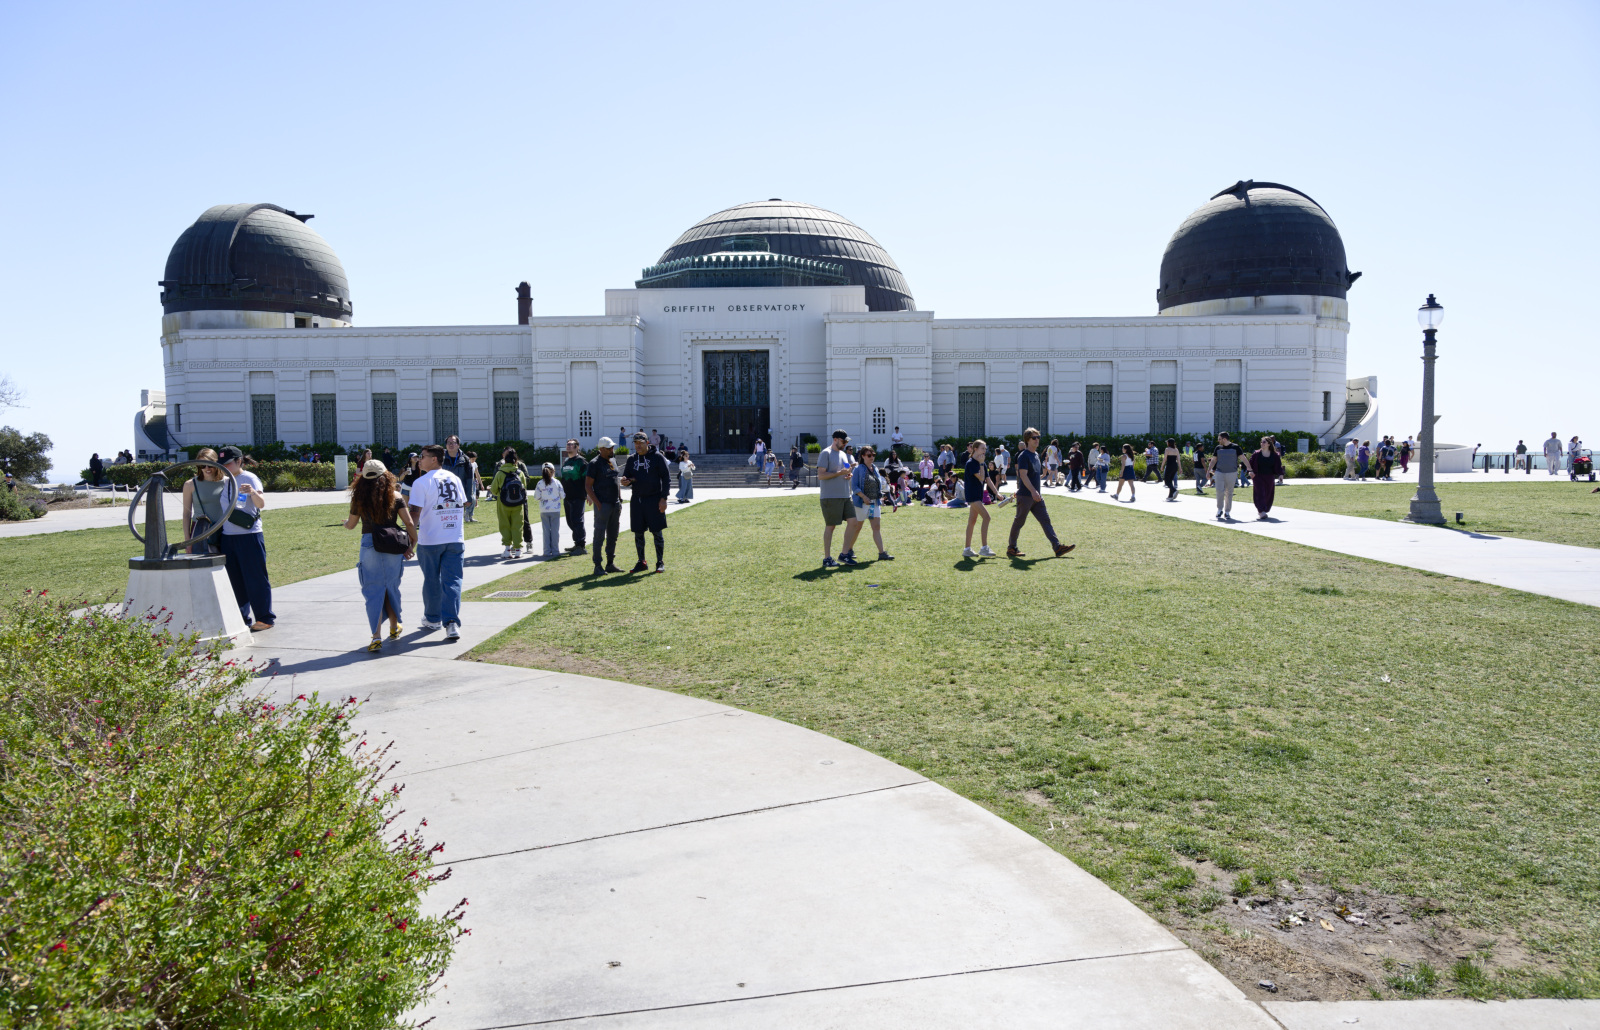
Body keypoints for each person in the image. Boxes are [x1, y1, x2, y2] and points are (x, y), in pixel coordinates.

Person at [343, 459, 417, 651]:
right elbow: (409, 523)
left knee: (373, 591)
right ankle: (394, 627)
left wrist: (345, 524)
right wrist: (413, 542)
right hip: (393, 544)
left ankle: (376, 637)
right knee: (391, 588)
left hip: (369, 544)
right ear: (386, 475)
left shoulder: (359, 497)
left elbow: (351, 525)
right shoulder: (395, 495)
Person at [408, 445, 466, 641]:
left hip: (431, 539)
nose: (419, 460)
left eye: (423, 456)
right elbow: (462, 504)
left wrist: (410, 538)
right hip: (455, 538)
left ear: (434, 459)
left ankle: (433, 619)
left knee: (432, 580)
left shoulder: (421, 482)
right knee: (453, 581)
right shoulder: (455, 479)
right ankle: (452, 623)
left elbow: (414, 512)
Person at [216, 446, 274, 631]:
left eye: (228, 463)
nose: (224, 467)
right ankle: (241, 619)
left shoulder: (250, 478)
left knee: (255, 578)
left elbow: (261, 504)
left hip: (249, 536)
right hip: (229, 536)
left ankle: (265, 618)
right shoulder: (226, 481)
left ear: (239, 461)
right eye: (222, 464)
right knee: (235, 580)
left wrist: (252, 492)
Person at [1005, 429, 1075, 559]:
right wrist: (1033, 491)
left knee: (1045, 521)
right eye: (1034, 438)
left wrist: (1043, 477)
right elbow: (1023, 475)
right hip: (1026, 496)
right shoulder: (1024, 456)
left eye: (1038, 437)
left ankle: (1057, 547)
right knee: (1019, 522)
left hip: (1036, 496)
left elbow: (1035, 474)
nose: (1037, 439)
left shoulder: (1036, 455)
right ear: (1027, 440)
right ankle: (1011, 548)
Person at [621, 431, 671, 572]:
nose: (638, 446)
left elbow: (666, 478)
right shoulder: (632, 459)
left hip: (654, 499)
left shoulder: (657, 457)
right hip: (637, 500)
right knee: (638, 533)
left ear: (647, 443)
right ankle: (641, 562)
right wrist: (626, 481)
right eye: (636, 443)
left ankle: (660, 562)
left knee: (657, 532)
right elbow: (628, 477)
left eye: (641, 443)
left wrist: (664, 498)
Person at [840, 445, 892, 564]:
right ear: (863, 456)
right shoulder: (858, 469)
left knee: (876, 527)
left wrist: (880, 494)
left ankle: (882, 553)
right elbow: (855, 487)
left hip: (874, 503)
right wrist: (863, 497)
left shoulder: (875, 468)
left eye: (873, 455)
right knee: (857, 528)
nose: (871, 457)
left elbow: (878, 484)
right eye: (869, 455)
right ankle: (849, 549)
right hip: (861, 503)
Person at [817, 430, 854, 568]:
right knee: (831, 526)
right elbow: (821, 475)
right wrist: (839, 473)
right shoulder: (825, 453)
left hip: (845, 495)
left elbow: (846, 471)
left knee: (854, 522)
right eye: (843, 441)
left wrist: (848, 475)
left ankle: (844, 554)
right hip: (830, 496)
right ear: (835, 439)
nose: (845, 444)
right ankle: (827, 558)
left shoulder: (843, 454)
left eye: (846, 442)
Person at [585, 437, 623, 574]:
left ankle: (610, 564)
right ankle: (597, 565)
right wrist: (598, 504)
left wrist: (620, 499)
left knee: (613, 535)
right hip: (603, 505)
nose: (612, 450)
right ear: (601, 449)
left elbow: (616, 480)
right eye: (608, 448)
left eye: (612, 447)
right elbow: (588, 486)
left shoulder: (613, 460)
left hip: (615, 504)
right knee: (599, 535)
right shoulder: (594, 463)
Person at [181, 447, 225, 554]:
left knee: (226, 563)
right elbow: (186, 514)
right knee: (202, 563)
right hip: (200, 530)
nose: (206, 468)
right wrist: (188, 540)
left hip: (224, 530)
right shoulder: (190, 484)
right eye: (202, 465)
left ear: (216, 463)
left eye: (210, 464)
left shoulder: (228, 482)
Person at [489, 448, 529, 559]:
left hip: (503, 503)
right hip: (518, 504)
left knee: (504, 525)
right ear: (516, 461)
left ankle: (507, 549)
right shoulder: (520, 473)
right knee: (518, 526)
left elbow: (493, 490)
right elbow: (524, 488)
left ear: (505, 460)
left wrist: (499, 493)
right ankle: (518, 550)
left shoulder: (500, 473)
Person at [961, 440, 998, 558]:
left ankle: (967, 549)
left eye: (985, 449)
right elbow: (981, 478)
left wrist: (997, 493)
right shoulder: (971, 463)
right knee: (987, 517)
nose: (984, 451)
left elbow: (988, 479)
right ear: (975, 449)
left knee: (972, 521)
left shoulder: (982, 463)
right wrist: (981, 464)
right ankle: (984, 548)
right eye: (982, 448)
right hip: (972, 495)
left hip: (978, 495)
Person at [557, 439, 589, 551]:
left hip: (578, 496)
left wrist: (589, 494)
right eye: (567, 444)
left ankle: (581, 546)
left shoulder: (581, 462)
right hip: (567, 497)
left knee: (577, 520)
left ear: (577, 447)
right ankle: (577, 543)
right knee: (570, 521)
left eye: (571, 444)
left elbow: (587, 479)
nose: (568, 446)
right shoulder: (566, 462)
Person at [534, 463, 565, 558]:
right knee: (555, 531)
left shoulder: (540, 483)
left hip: (544, 510)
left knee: (546, 531)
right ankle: (555, 551)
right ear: (553, 471)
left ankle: (546, 551)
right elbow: (562, 495)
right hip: (555, 510)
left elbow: (536, 497)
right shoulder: (557, 482)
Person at [1208, 432, 1241, 521]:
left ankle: (1227, 512)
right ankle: (1219, 509)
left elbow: (1243, 458)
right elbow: (1214, 460)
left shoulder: (1235, 447)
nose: (1218, 441)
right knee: (1219, 491)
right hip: (1219, 472)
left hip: (1232, 473)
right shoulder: (1218, 448)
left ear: (1224, 439)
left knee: (1229, 492)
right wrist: (1208, 471)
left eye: (1219, 439)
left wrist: (1250, 468)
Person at [1249, 436, 1282, 520]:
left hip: (1269, 476)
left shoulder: (1275, 455)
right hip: (1258, 476)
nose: (1262, 443)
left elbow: (1278, 466)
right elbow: (1250, 463)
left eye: (1264, 442)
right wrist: (1250, 471)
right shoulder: (1256, 454)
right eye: (1261, 442)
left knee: (1268, 493)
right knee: (1259, 493)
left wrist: (1280, 475)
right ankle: (1261, 511)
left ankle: (1264, 509)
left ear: (1269, 444)